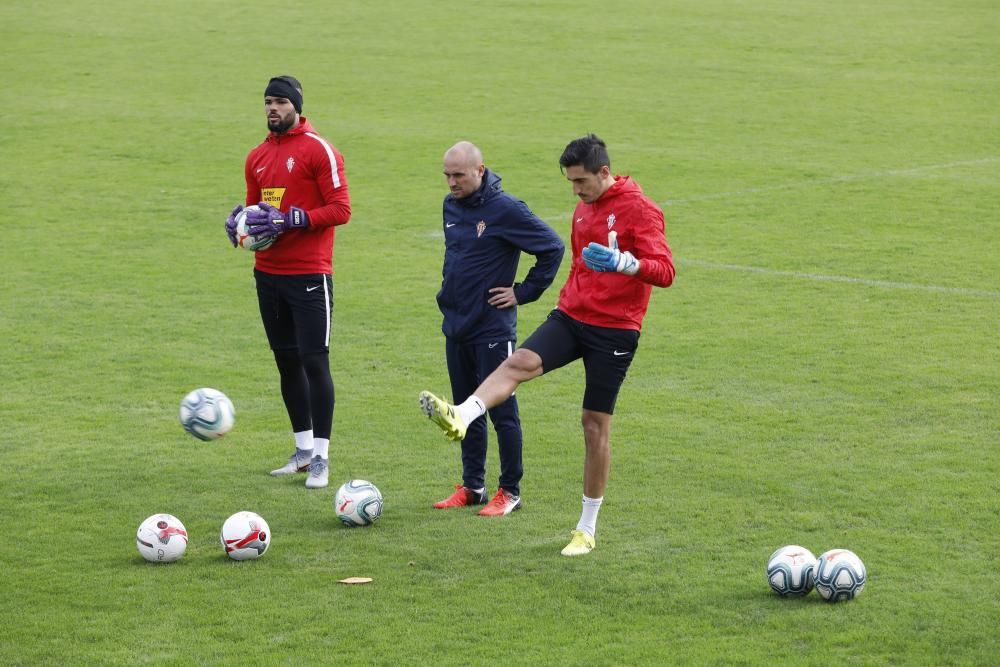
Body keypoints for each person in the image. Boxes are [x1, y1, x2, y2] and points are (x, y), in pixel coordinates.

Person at [420, 134, 674, 554]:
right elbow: (576, 264)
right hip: (573, 315)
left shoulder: (640, 210)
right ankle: (462, 415)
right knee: (518, 362)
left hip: (615, 328)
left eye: (580, 181)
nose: (575, 191)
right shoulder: (583, 210)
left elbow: (665, 271)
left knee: (593, 425)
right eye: (571, 182)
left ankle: (586, 528)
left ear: (604, 173)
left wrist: (626, 264)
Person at [224, 75, 351, 489]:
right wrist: (239, 226)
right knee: (286, 362)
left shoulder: (320, 150)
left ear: (296, 105)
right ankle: (301, 451)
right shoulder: (256, 156)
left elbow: (341, 209)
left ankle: (322, 458)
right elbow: (256, 209)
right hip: (268, 274)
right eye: (267, 102)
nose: (272, 109)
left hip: (310, 274)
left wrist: (296, 218)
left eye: (279, 101)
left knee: (315, 362)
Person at [427, 141, 565, 516]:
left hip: (491, 329)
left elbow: (552, 247)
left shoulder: (506, 209)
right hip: (456, 324)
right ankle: (473, 486)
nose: (451, 182)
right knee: (464, 411)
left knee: (502, 412)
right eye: (447, 175)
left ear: (480, 170)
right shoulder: (450, 205)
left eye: (458, 175)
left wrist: (523, 293)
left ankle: (511, 491)